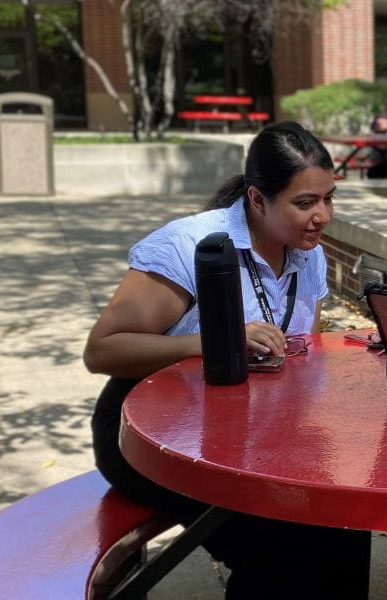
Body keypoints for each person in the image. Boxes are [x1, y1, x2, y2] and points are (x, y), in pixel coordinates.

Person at [83, 121, 370, 598]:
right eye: (305, 203)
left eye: (328, 198)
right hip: (152, 437)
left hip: (248, 437)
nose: (323, 216)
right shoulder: (189, 245)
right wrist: (220, 340)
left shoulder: (307, 253)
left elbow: (303, 356)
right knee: (277, 549)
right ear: (257, 200)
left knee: (345, 518)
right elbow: (103, 350)